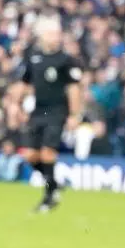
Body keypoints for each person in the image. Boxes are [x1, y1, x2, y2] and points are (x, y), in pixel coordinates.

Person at [18, 16, 84, 212]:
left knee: (47, 152)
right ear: (42, 36)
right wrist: (17, 105)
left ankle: (49, 198)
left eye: (57, 33)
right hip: (38, 111)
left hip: (57, 111)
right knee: (30, 155)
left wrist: (74, 115)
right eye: (52, 33)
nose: (57, 37)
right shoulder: (33, 57)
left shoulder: (66, 59)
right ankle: (54, 183)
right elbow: (25, 83)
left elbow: (74, 89)